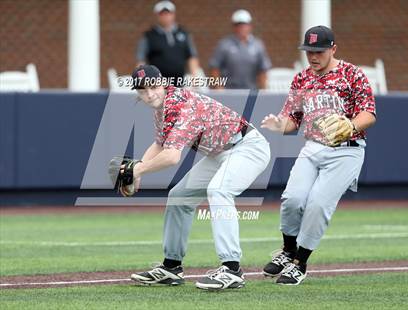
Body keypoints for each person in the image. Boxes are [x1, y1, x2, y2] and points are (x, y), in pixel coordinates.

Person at [128, 65, 270, 290]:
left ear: (162, 82)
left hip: (247, 147)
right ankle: (171, 267)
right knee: (179, 197)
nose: (149, 94)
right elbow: (159, 144)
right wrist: (139, 170)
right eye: (142, 90)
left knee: (219, 190)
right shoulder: (162, 108)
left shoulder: (179, 104)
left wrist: (136, 171)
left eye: (153, 86)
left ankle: (232, 269)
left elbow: (172, 156)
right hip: (220, 154)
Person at [260, 25, 376, 285]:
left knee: (317, 205)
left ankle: (299, 264)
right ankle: (288, 251)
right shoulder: (301, 79)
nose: (313, 56)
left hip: (346, 151)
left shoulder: (352, 74)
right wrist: (280, 125)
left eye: (319, 51)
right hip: (312, 147)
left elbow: (369, 112)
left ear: (333, 49)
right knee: (292, 198)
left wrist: (352, 126)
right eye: (309, 51)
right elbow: (292, 119)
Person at [136, 1, 200, 86]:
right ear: (157, 16)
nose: (166, 16)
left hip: (180, 82)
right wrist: (141, 78)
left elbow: (192, 56)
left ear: (173, 14)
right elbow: (141, 60)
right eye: (162, 14)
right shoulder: (149, 35)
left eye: (168, 13)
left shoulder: (184, 33)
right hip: (157, 82)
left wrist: (195, 77)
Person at [209, 9, 272, 89]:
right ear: (234, 27)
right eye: (238, 24)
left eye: (244, 24)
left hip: (251, 92)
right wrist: (219, 88)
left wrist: (264, 90)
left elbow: (263, 69)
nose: (242, 27)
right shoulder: (224, 44)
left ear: (250, 26)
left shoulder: (258, 45)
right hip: (229, 92)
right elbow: (215, 68)